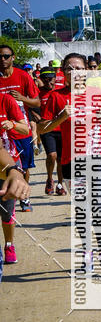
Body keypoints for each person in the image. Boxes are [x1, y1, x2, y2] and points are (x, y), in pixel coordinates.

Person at [39, 53, 101, 274]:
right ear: (63, 72)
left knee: (98, 207)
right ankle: (87, 253)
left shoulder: (96, 94)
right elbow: (42, 129)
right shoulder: (56, 97)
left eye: (79, 68)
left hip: (99, 157)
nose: (75, 72)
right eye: (69, 69)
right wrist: (60, 118)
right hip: (72, 160)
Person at [0, 43, 40, 212]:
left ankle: (24, 196)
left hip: (21, 127)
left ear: (13, 58)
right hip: (3, 130)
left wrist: (22, 98)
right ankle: (8, 200)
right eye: (0, 57)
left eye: (6, 56)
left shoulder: (23, 76)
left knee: (23, 166)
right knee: (6, 166)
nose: (3, 60)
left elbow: (37, 102)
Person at [0, 91, 29, 265]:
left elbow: (25, 128)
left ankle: (9, 244)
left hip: (6, 161)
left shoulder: (5, 99)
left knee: (6, 210)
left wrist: (12, 124)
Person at [34, 68, 67, 195]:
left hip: (61, 129)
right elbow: (30, 106)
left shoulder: (60, 92)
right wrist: (36, 117)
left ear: (55, 78)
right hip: (47, 129)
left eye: (51, 78)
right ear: (41, 80)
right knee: (51, 155)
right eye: (45, 79)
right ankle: (49, 178)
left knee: (61, 159)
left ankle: (59, 184)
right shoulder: (37, 93)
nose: (48, 81)